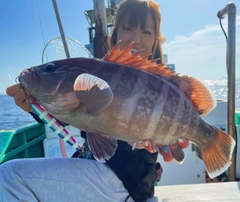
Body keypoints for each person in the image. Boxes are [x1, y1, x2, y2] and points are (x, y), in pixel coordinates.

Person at [1, 0, 189, 201]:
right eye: (128, 28)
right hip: (103, 170)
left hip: (125, 180)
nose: (136, 39)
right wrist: (35, 108)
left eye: (146, 32)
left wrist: (166, 140)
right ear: (115, 32)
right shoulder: (96, 74)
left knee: (8, 178)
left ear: (155, 40)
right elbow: (72, 117)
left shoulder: (160, 85)